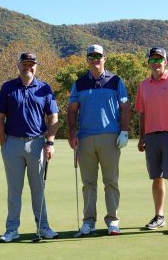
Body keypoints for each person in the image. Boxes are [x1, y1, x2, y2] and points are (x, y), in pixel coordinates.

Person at [0, 51, 59, 242]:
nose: (28, 67)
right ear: (19, 66)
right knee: (14, 190)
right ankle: (12, 229)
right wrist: (3, 143)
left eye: (31, 64)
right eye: (25, 64)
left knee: (38, 188)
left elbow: (53, 116)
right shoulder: (8, 87)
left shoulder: (44, 88)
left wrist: (50, 141)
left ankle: (43, 227)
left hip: (37, 143)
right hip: (12, 143)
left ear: (36, 66)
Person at [67, 44, 131, 237]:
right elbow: (72, 110)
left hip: (110, 137)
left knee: (111, 181)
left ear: (105, 58)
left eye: (98, 56)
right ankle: (88, 222)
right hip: (85, 139)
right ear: (87, 59)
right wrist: (71, 134)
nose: (95, 59)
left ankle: (113, 221)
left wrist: (125, 131)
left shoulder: (116, 81)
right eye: (91, 56)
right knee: (88, 183)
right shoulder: (79, 83)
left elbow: (125, 107)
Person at [135, 47, 168, 235]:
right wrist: (141, 137)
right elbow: (142, 113)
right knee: (156, 178)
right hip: (151, 136)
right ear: (148, 62)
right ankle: (159, 216)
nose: (156, 63)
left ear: (165, 62)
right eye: (153, 60)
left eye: (159, 60)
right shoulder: (144, 85)